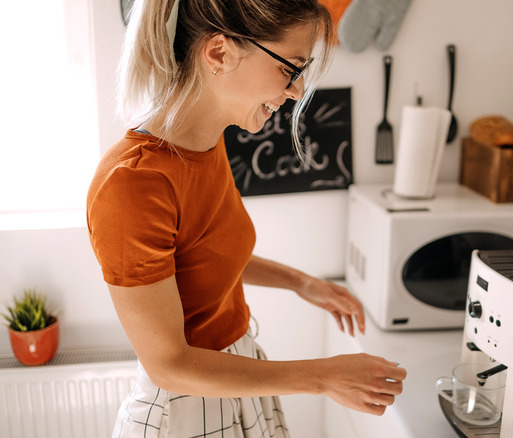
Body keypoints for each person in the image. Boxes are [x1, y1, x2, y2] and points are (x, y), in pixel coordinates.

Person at [86, 0, 406, 436]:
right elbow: (169, 365)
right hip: (186, 407)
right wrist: (323, 376)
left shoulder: (207, 143)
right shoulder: (132, 184)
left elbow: (206, 257)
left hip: (238, 376)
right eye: (290, 67)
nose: (296, 90)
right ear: (220, 53)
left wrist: (303, 283)